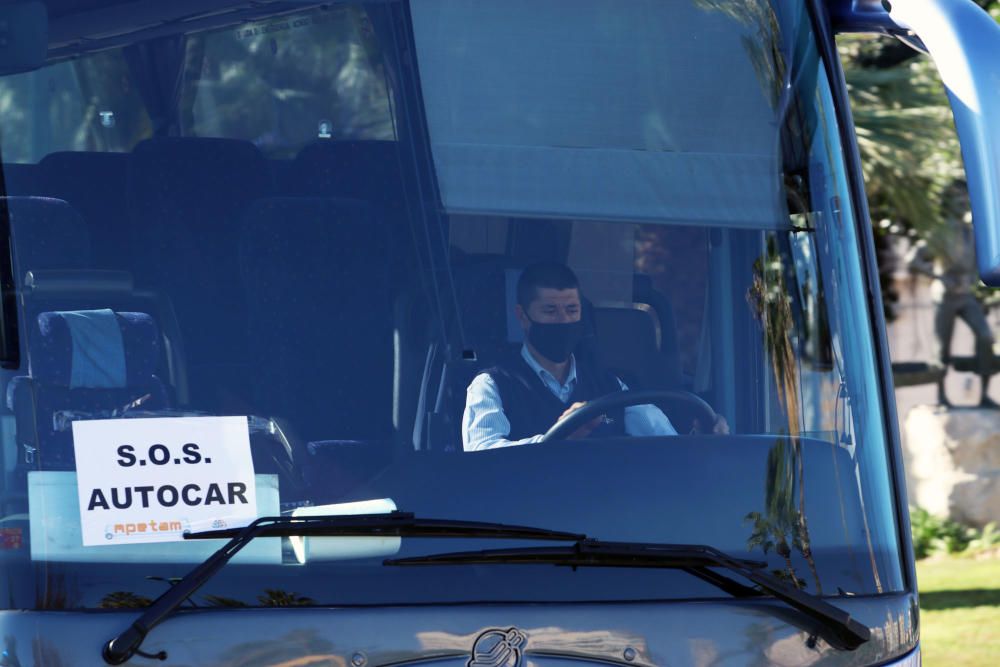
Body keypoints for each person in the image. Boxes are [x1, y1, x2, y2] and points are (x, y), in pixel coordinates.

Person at [462, 262, 722, 452]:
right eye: (550, 311)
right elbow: (483, 455)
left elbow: (664, 443)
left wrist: (700, 442)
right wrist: (556, 440)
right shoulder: (493, 384)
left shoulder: (610, 385)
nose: (563, 320)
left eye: (571, 310)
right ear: (522, 316)